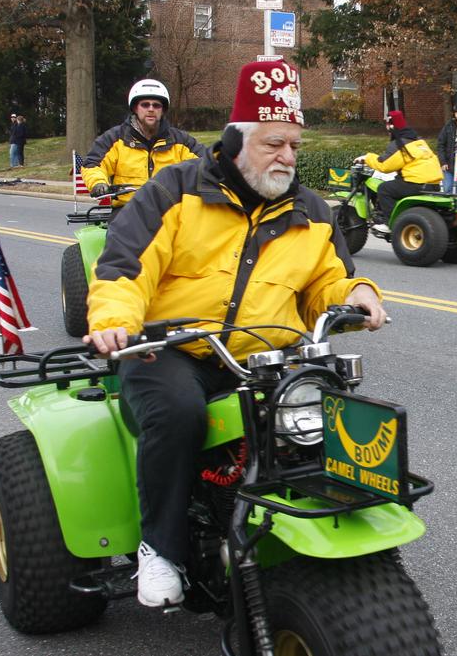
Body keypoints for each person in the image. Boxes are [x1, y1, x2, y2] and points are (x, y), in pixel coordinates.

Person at [84, 59, 386, 609]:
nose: (289, 157)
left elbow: (331, 278)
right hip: (174, 348)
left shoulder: (310, 209)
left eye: (295, 144)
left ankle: (345, 540)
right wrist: (115, 322)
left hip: (265, 354)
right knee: (177, 414)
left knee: (325, 407)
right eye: (275, 144)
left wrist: (358, 295)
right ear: (238, 138)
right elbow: (124, 268)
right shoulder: (175, 190)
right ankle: (161, 548)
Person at [81, 79, 204, 208]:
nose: (151, 109)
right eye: (145, 105)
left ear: (162, 110)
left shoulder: (180, 141)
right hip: (127, 211)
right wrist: (99, 183)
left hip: (170, 212)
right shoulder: (115, 138)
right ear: (135, 108)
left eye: (156, 105)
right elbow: (93, 164)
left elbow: (207, 163)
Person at [355, 110, 442, 233]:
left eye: (386, 123)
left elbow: (384, 165)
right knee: (397, 182)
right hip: (434, 184)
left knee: (384, 189)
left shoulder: (399, 144)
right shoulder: (418, 141)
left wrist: (366, 158)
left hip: (416, 184)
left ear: (391, 125)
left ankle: (389, 223)